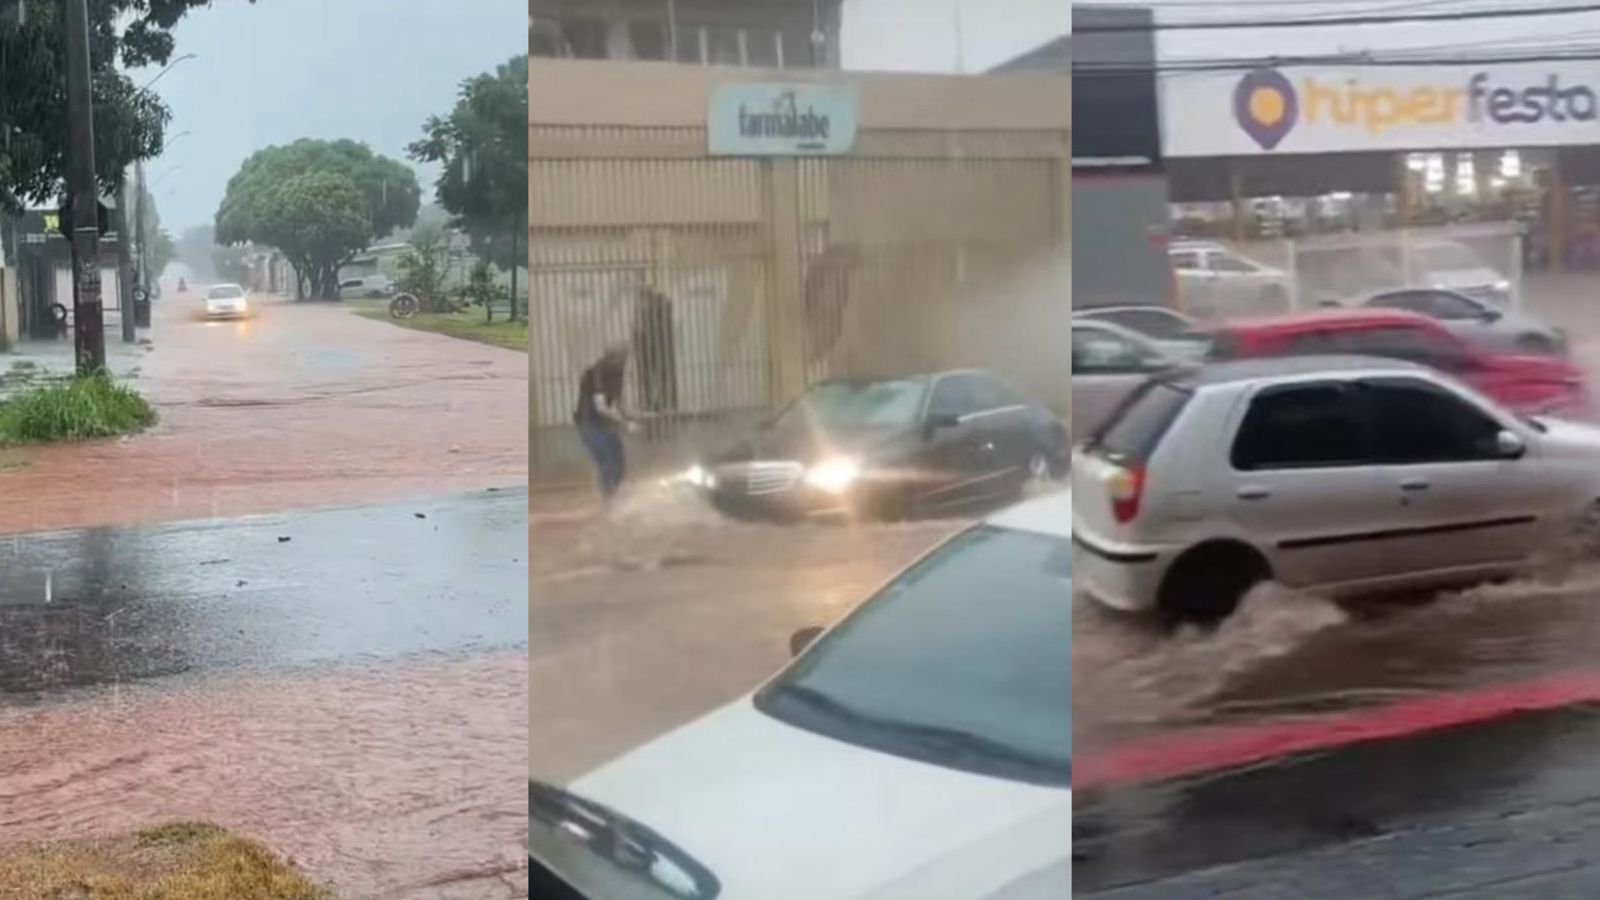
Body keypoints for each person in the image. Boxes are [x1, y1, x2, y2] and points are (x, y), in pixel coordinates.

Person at [573, 343, 639, 502]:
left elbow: (617, 404)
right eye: (621, 357)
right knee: (608, 460)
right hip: (589, 423)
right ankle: (610, 497)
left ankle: (613, 495)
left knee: (616, 457)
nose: (624, 361)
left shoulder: (616, 373)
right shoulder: (599, 372)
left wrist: (630, 416)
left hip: (603, 423)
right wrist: (626, 424)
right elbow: (602, 407)